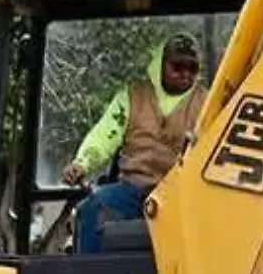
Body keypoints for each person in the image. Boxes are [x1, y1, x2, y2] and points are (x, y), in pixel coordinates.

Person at [62, 32, 209, 253]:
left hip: (180, 194)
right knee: (91, 210)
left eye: (192, 68)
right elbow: (105, 135)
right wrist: (82, 163)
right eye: (178, 67)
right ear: (161, 64)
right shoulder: (132, 96)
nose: (185, 74)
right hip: (133, 187)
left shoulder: (207, 104)